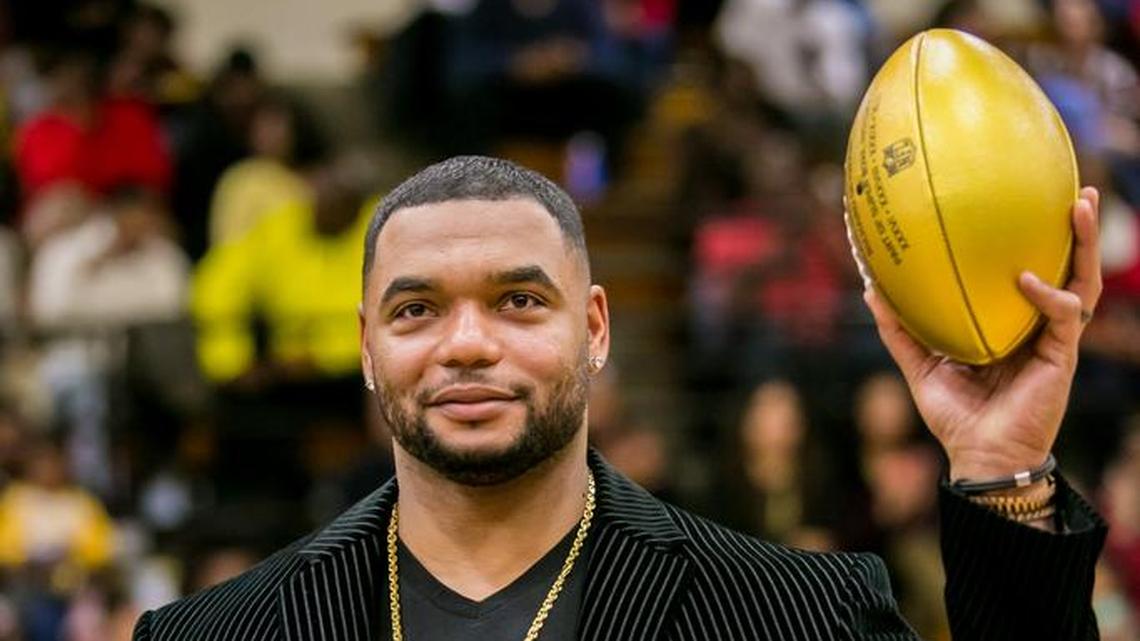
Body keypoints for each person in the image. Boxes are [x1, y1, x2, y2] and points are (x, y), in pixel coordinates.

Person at [133, 156, 1107, 640]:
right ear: (367, 346)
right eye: (418, 308)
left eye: (519, 300)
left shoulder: (798, 614)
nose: (468, 342)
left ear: (595, 328)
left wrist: (1000, 467)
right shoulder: (216, 633)